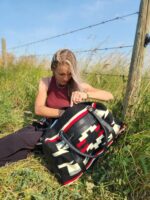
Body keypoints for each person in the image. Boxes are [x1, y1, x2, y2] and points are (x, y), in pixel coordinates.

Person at [0, 49, 114, 167]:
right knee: (20, 135)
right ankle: (37, 149)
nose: (66, 78)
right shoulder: (46, 82)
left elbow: (109, 96)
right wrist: (65, 113)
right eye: (61, 74)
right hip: (47, 124)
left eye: (70, 74)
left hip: (64, 130)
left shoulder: (77, 85)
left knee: (21, 139)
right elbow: (39, 109)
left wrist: (85, 94)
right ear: (53, 69)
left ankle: (40, 147)